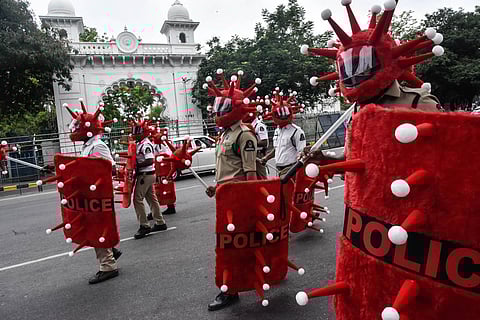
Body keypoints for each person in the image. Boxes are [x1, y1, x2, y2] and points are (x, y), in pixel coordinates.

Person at [203, 69, 260, 311]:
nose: (219, 111)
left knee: (231, 245)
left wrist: (251, 205)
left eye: (225, 106)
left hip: (238, 200)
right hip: (225, 197)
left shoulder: (244, 135)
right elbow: (227, 169)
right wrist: (216, 187)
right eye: (219, 105)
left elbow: (250, 175)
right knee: (231, 244)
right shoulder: (226, 134)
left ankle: (231, 289)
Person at [65, 99, 122, 284]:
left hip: (99, 194)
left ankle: (108, 266)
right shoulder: (88, 145)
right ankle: (111, 251)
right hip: (91, 195)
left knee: (97, 228)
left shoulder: (98, 146)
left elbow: (109, 169)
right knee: (96, 227)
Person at [130, 120, 167, 239]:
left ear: (143, 132)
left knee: (137, 199)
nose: (134, 134)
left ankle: (144, 225)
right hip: (147, 174)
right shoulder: (141, 143)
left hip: (145, 174)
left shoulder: (145, 144)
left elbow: (150, 159)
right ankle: (160, 222)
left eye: (137, 132)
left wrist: (135, 165)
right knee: (152, 198)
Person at [259, 91, 306, 178]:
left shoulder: (296, 131)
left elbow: (302, 152)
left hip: (291, 169)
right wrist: (266, 158)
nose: (282, 117)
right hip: (279, 169)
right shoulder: (277, 131)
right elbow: (277, 149)